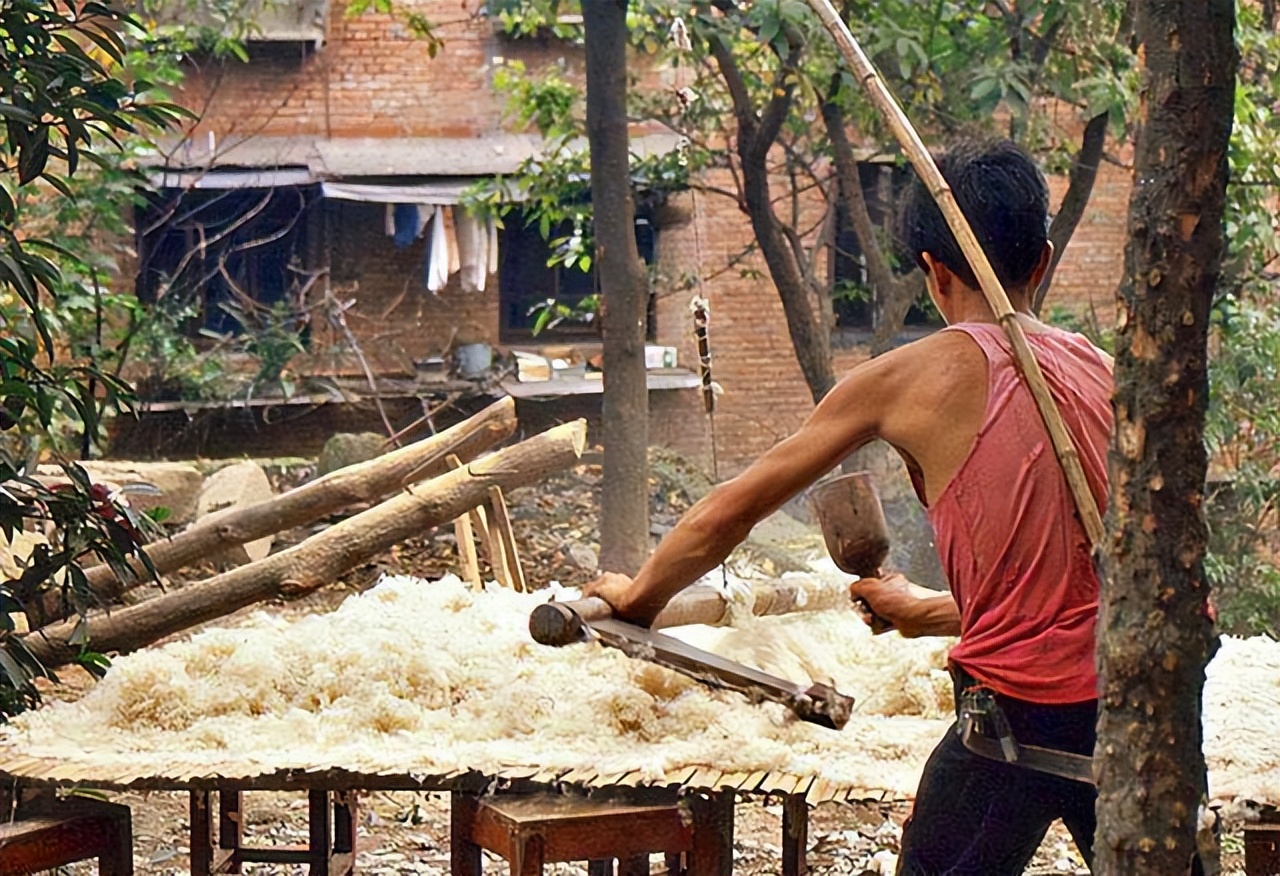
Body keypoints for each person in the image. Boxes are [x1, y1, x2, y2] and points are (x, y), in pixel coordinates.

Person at [584, 139, 1114, 875]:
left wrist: (637, 600)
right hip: (1141, 703)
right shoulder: (1104, 370)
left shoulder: (907, 378)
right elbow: (1071, 593)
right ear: (1044, 260)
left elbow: (728, 514)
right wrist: (922, 609)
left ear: (931, 271)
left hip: (1018, 720)